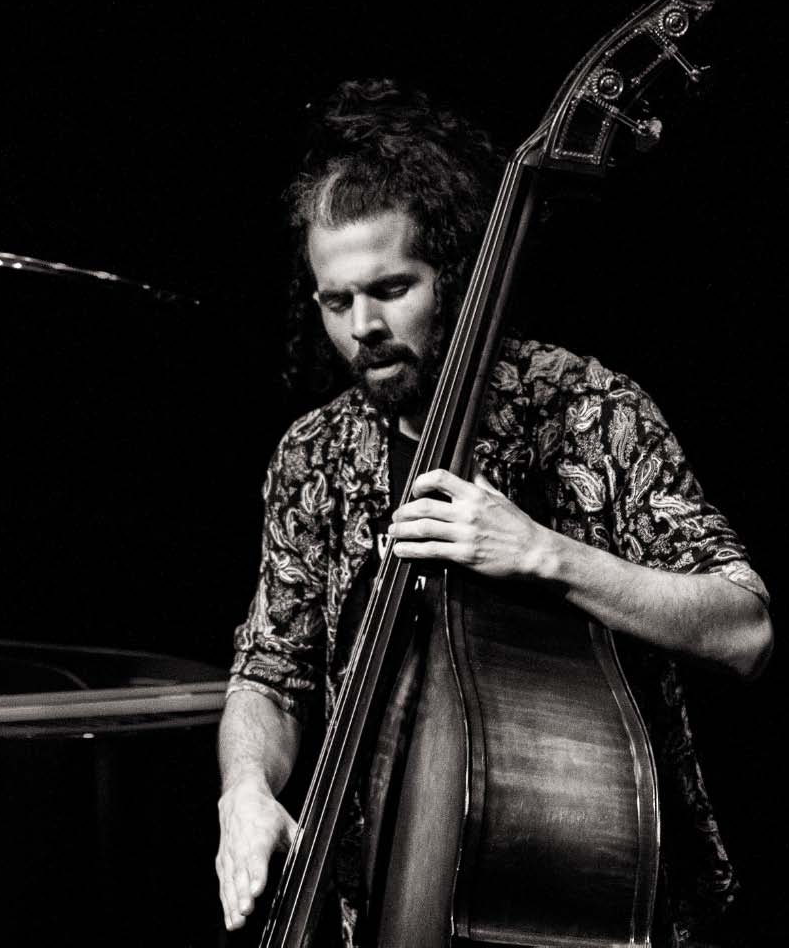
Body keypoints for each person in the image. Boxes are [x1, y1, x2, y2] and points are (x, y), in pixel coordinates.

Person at [215, 78, 772, 947]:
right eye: (336, 301)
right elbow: (270, 672)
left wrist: (546, 554)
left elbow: (744, 630)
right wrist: (243, 790)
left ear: (456, 275)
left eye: (392, 288)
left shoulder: (589, 408)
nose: (363, 326)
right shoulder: (310, 456)